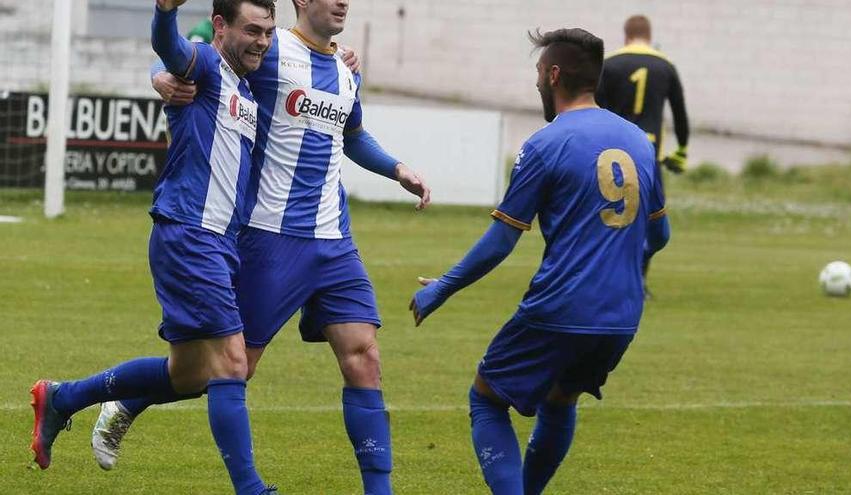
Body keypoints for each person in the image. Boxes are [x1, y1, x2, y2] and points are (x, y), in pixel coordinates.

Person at [91, 1, 430, 494]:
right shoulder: (267, 48)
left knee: (364, 357)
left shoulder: (345, 68)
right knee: (224, 369)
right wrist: (157, 75)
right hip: (268, 236)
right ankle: (126, 400)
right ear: (302, 2)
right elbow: (197, 49)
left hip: (334, 240)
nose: (342, 3)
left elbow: (352, 135)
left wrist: (397, 169)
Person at [30, 1, 277, 494]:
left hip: (221, 244)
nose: (262, 41)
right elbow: (171, 48)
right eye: (253, 30)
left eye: (269, 32)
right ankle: (252, 489)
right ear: (222, 27)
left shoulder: (249, 87)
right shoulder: (207, 65)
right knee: (232, 364)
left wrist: (341, 54)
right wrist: (165, 13)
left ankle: (61, 398)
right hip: (190, 235)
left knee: (188, 376)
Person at [410, 28, 670, 495]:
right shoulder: (639, 142)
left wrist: (441, 287)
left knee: (486, 399)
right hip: (622, 316)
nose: (535, 84)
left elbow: (501, 241)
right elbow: (660, 234)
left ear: (553, 74)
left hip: (561, 307)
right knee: (559, 399)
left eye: (537, 73)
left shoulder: (544, 145)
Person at [595, 14, 688, 298]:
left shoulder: (609, 64)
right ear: (649, 35)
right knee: (649, 220)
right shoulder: (666, 66)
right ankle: (639, 281)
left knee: (606, 216)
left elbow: (595, 108)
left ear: (625, 36)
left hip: (612, 155)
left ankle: (601, 277)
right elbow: (680, 114)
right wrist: (681, 152)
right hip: (648, 154)